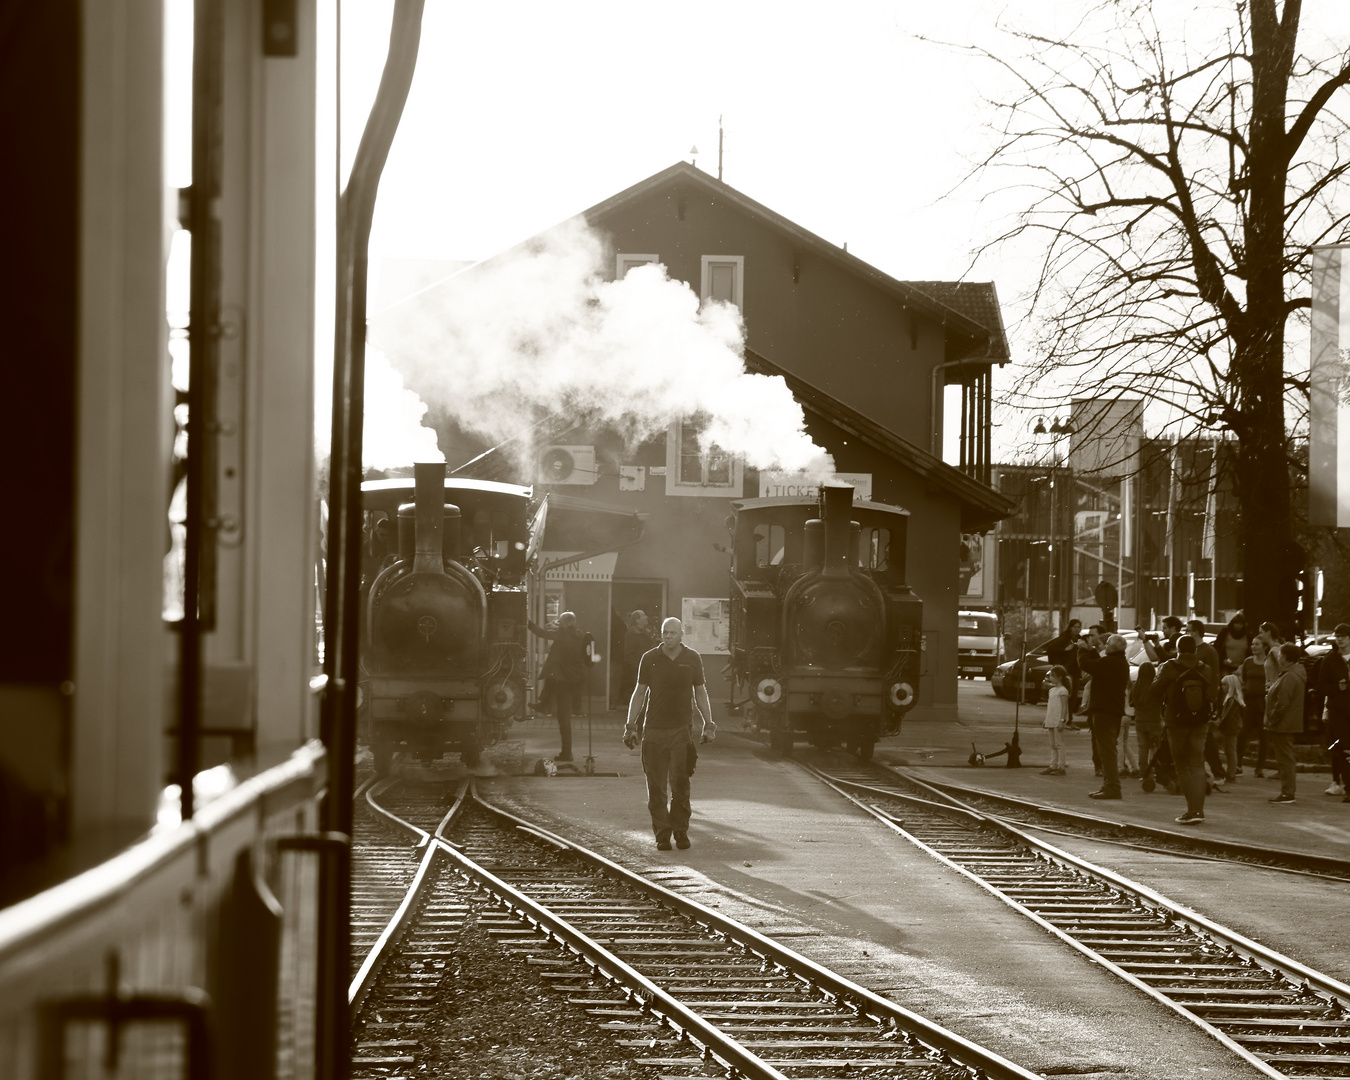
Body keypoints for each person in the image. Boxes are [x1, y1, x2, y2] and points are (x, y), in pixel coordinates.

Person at [623, 617, 716, 851]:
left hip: (681, 731)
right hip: (653, 731)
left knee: (680, 784)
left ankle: (680, 830)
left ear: (682, 634)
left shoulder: (692, 658)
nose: (668, 636)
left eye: (672, 632)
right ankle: (662, 835)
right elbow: (639, 692)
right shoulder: (650, 658)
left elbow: (701, 692)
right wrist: (630, 725)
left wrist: (709, 723)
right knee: (656, 787)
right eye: (665, 632)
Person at [1150, 635, 1215, 824]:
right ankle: (1198, 811)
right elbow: (1212, 692)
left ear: (1178, 650)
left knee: (1182, 766)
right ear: (1195, 650)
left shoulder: (1169, 667)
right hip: (1200, 721)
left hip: (1176, 721)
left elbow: (1154, 691)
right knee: (1197, 764)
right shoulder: (1206, 669)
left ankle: (1191, 811)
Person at [528, 611, 592, 763]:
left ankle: (567, 753)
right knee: (565, 716)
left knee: (564, 719)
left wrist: (528, 623)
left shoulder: (562, 635)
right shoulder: (580, 636)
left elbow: (541, 633)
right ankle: (543, 704)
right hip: (573, 680)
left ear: (564, 623)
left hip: (563, 680)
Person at [1077, 633, 1130, 799]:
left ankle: (1113, 787)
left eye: (1107, 644)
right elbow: (1097, 663)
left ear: (1112, 648)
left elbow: (1085, 664)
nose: (1104, 647)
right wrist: (1091, 649)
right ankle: (1108, 785)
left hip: (1104, 712)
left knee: (1106, 751)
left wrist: (1082, 650)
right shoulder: (1120, 662)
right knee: (1108, 749)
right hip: (1113, 711)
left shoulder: (1109, 663)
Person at [1265, 642, 1306, 804]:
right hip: (1287, 722)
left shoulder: (1289, 676)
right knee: (1286, 758)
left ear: (1287, 658)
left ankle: (1287, 792)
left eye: (1281, 655)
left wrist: (1273, 717)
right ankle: (1287, 791)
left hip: (1283, 723)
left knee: (1285, 759)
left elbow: (1283, 702)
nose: (1279, 657)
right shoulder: (1293, 673)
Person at [1314, 622, 1350, 798]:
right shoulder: (1330, 660)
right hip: (1338, 710)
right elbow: (1321, 687)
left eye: (1343, 636)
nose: (1340, 639)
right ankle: (1347, 786)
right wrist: (1337, 687)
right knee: (1344, 747)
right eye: (1338, 636)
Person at [1032, 619, 1083, 709]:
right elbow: (1051, 649)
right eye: (1074, 627)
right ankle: (1064, 718)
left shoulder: (1078, 639)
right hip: (1066, 669)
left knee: (1073, 696)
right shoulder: (1064, 638)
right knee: (1066, 695)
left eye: (1078, 627)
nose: (1077, 629)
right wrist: (1065, 649)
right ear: (1070, 627)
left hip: (1075, 670)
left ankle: (1069, 718)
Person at [1238, 638, 1271, 778]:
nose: (1253, 647)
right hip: (1249, 701)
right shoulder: (1248, 662)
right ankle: (1238, 764)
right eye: (1252, 644)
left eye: (1257, 644)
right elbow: (1244, 679)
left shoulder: (1269, 663)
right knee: (1242, 733)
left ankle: (1259, 768)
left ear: (1264, 647)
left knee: (1264, 736)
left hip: (1263, 702)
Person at [1132, 661, 1164, 788]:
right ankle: (1158, 771)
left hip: (1140, 720)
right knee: (1157, 747)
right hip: (1154, 720)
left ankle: (1144, 773)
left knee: (1143, 748)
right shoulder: (1155, 686)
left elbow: (1131, 702)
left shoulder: (1136, 686)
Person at [1040, 665, 1071, 776]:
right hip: (1051, 719)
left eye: (1053, 676)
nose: (1050, 678)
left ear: (1059, 677)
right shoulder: (1052, 690)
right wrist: (1046, 719)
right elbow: (1050, 706)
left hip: (1058, 720)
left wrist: (1062, 720)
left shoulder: (1063, 691)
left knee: (1059, 744)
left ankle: (1061, 767)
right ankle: (1053, 765)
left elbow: (1064, 707)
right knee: (1053, 744)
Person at [622, 609, 657, 705]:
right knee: (640, 693)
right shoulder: (632, 634)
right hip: (639, 669)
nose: (646, 617)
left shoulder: (646, 631)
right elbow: (628, 654)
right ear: (637, 620)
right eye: (643, 615)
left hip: (649, 667)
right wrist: (638, 666)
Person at [1217, 673, 1244, 784]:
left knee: (1231, 751)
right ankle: (1230, 772)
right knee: (1229, 751)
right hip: (1231, 727)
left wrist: (1219, 724)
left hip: (1231, 728)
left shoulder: (1233, 700)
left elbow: (1228, 715)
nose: (1222, 687)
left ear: (1231, 686)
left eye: (1225, 685)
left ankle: (1231, 773)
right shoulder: (1232, 699)